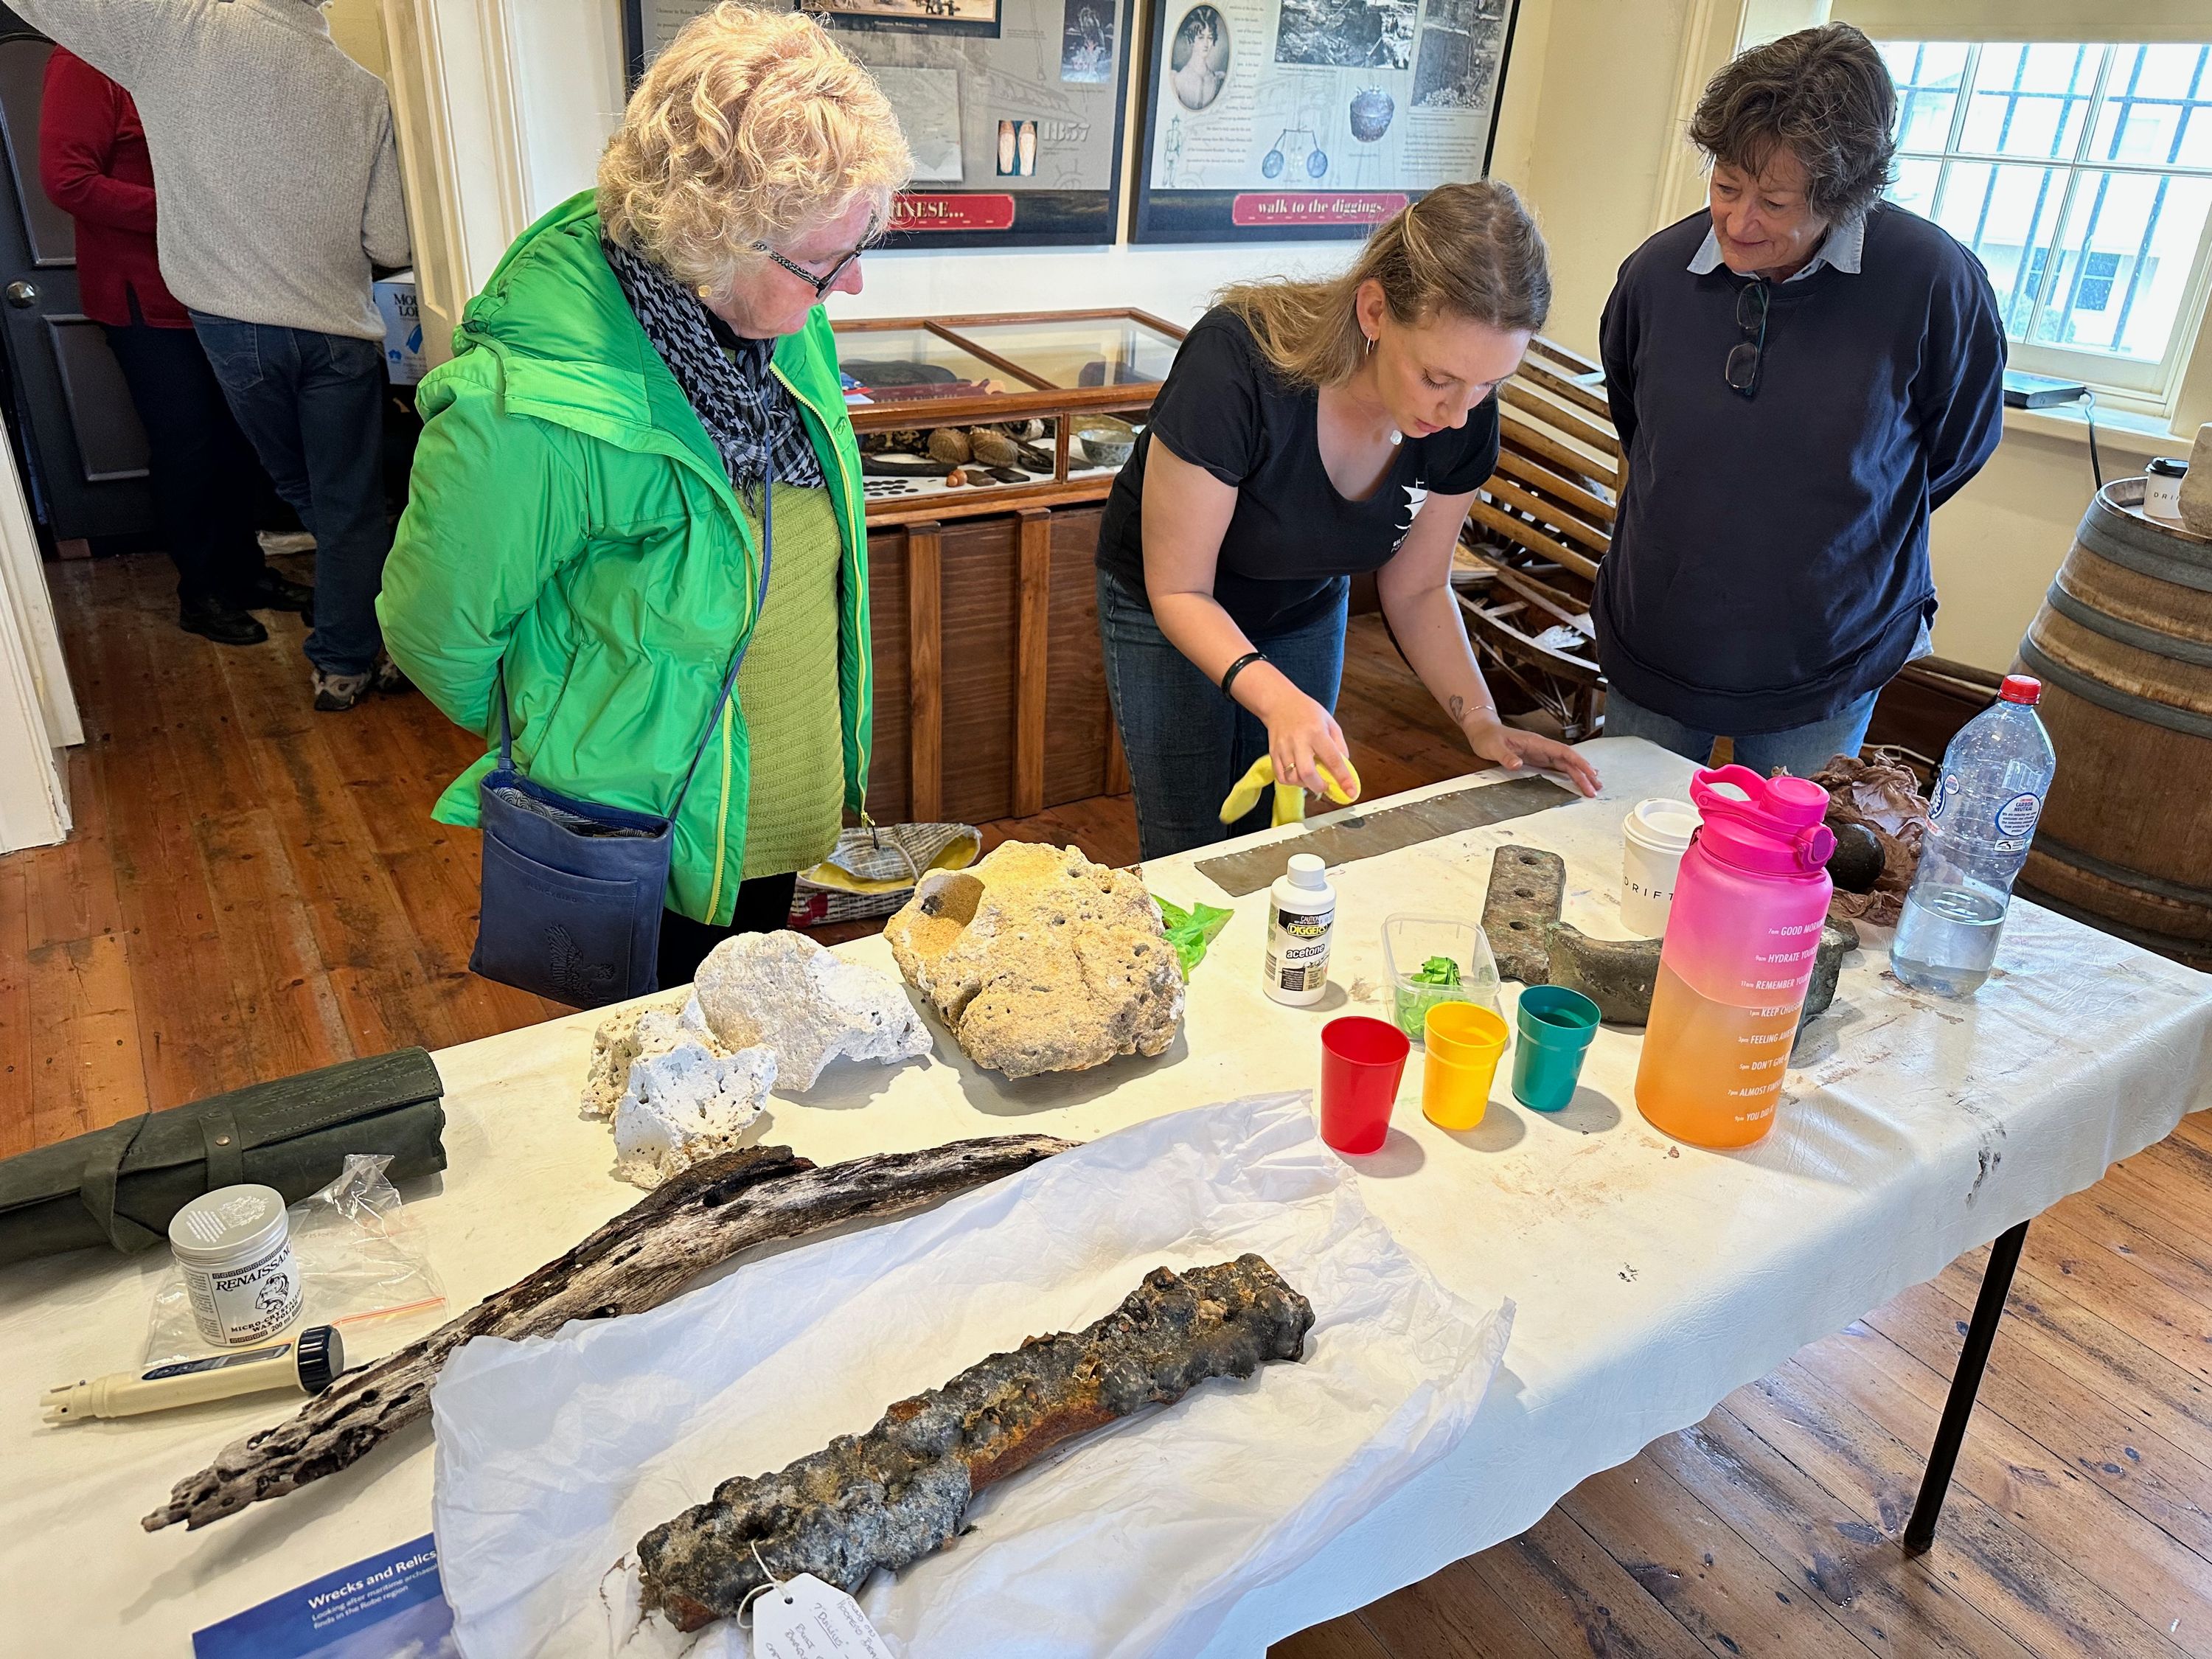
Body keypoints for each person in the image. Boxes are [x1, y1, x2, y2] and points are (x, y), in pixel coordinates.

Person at [378, 3, 905, 990]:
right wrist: (580, 728)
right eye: (831, 261)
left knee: (747, 1028)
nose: (855, 285)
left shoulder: (783, 318)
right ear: (718, 240)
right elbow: (435, 634)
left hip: (776, 798)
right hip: (640, 827)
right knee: (650, 1069)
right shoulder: (529, 410)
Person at [1095, 181, 1601, 862]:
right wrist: (1277, 699)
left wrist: (1483, 722)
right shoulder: (1238, 365)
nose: (1458, 414)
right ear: (1373, 311)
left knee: (1278, 843)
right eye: (1437, 378)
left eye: (1488, 385)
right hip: (1173, 604)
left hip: (1304, 598)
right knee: (1190, 848)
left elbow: (1420, 587)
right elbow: (1180, 590)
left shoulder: (1464, 412)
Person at [1596, 24, 2006, 777]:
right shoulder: (1654, 275)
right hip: (1657, 631)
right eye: (1726, 186)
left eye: (1775, 202)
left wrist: (1825, 522)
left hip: (1826, 650)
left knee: (1780, 868)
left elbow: (1957, 446)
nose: (1739, 222)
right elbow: (1640, 425)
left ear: (1844, 196)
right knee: (1621, 846)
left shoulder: (1931, 283)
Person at [16, 0, 411, 712]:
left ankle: (338, 632)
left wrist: (223, 213)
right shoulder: (362, 87)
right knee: (323, 494)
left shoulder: (185, 35)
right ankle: (332, 636)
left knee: (304, 489)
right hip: (310, 319)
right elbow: (390, 243)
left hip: (236, 320)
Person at [37, 47, 308, 647]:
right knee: (189, 447)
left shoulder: (186, 55)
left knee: (238, 440)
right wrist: (192, 212)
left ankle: (245, 576)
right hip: (146, 298)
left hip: (219, 290)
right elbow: (69, 181)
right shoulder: (87, 61)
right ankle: (202, 592)